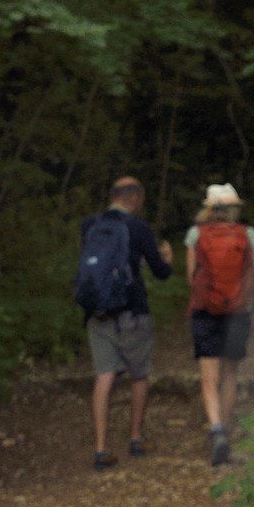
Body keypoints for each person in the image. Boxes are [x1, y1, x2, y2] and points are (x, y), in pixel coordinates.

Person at [75, 176, 173, 472]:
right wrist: (166, 259)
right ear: (134, 198)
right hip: (133, 312)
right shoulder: (138, 227)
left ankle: (101, 448)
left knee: (104, 376)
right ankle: (135, 438)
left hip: (98, 313)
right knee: (139, 374)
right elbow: (161, 272)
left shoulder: (89, 225)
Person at [185, 183, 254, 465]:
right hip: (239, 311)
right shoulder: (249, 235)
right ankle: (225, 433)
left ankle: (215, 429)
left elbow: (192, 277)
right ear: (234, 207)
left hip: (205, 311)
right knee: (230, 373)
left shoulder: (195, 235)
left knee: (209, 376)